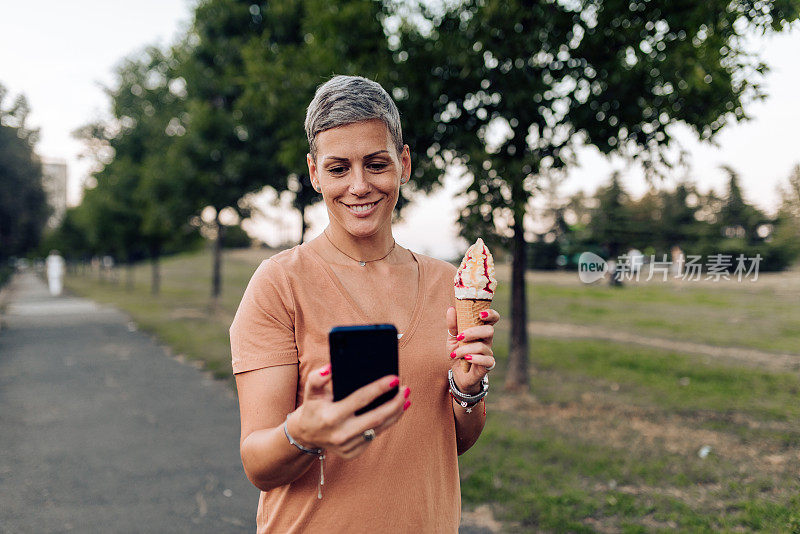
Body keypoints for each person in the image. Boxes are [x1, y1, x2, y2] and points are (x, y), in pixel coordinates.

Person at [230, 75, 500, 533]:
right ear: (315, 173)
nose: (359, 186)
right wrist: (304, 433)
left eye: (376, 164)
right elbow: (259, 465)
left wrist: (468, 389)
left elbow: (450, 442)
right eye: (338, 169)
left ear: (404, 163)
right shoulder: (280, 284)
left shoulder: (446, 285)